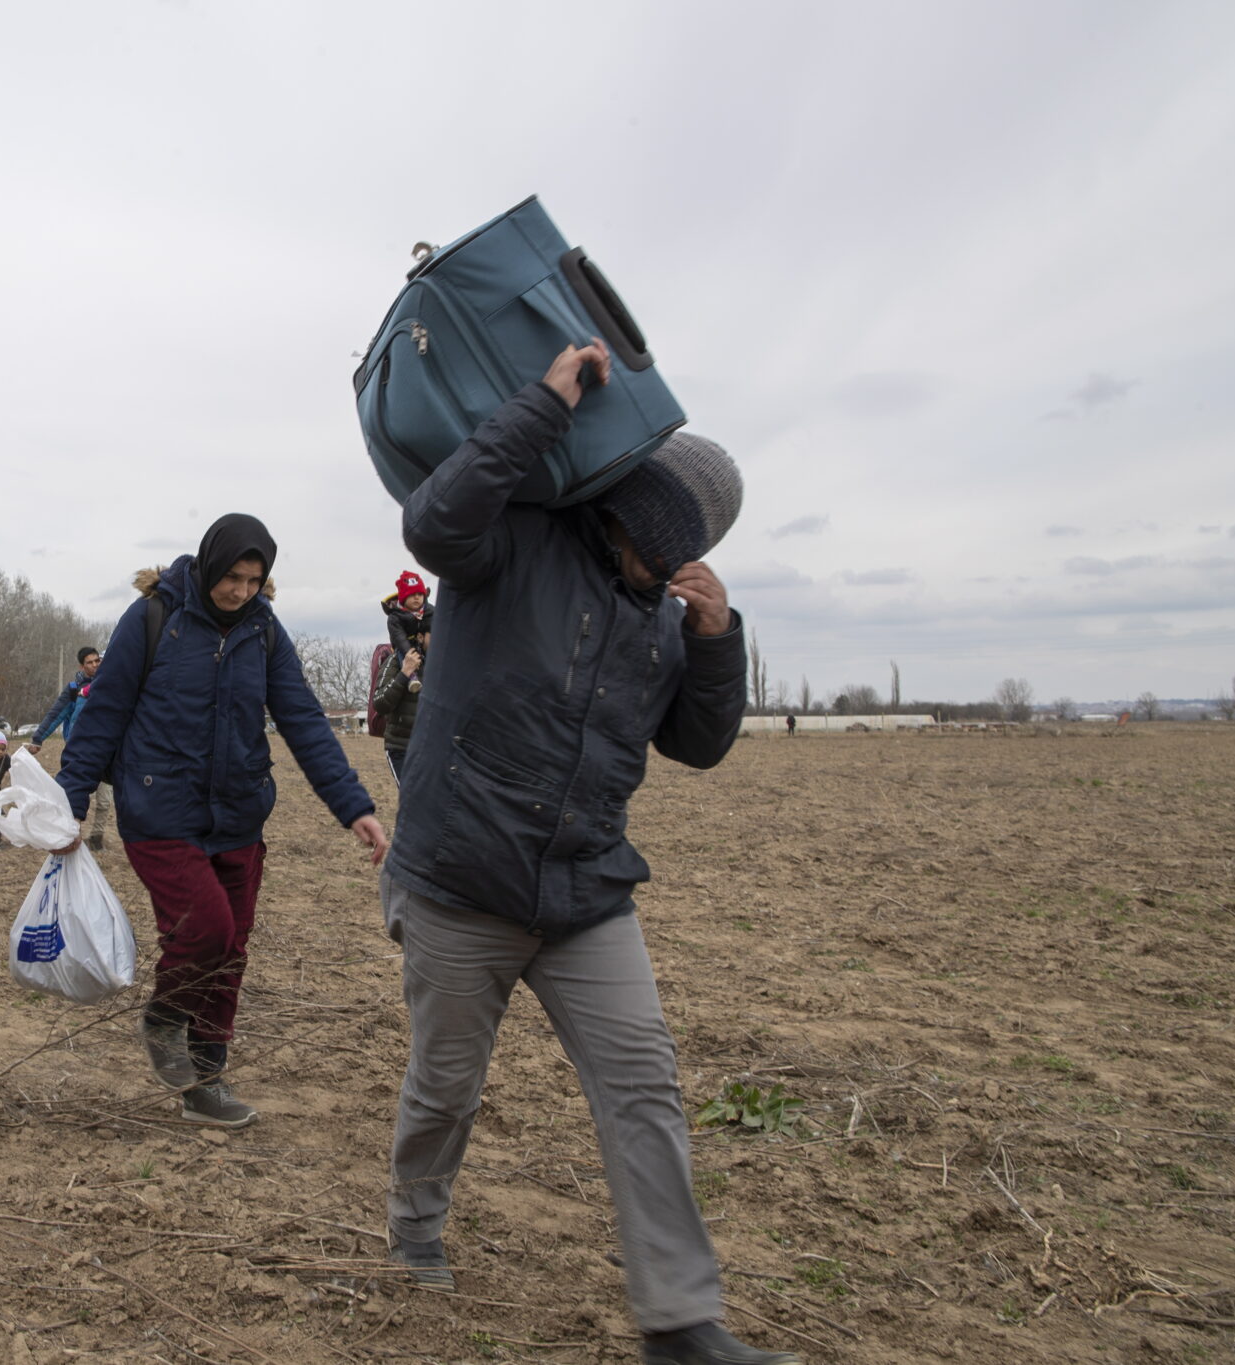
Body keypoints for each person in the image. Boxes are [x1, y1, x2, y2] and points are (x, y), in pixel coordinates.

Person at [381, 342, 791, 1365]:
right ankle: (416, 1219)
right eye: (661, 532)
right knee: (446, 1086)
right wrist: (546, 401)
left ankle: (679, 1322)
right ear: (636, 509)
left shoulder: (664, 622)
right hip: (457, 881)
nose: (662, 552)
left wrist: (714, 639)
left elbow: (697, 745)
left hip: (581, 892)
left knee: (642, 1083)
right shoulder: (513, 539)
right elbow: (430, 519)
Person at [57, 514, 389, 1129]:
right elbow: (104, 713)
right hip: (160, 811)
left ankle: (206, 1081)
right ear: (210, 565)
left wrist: (354, 806)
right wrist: (69, 804)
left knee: (230, 951)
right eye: (232, 577)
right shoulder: (155, 616)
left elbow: (304, 720)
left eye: (255, 579)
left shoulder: (263, 629)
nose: (240, 591)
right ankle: (162, 1021)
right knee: (204, 930)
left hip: (239, 815)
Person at [27, 646, 112, 850]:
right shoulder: (74, 690)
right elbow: (56, 714)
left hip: (107, 752)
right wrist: (38, 739)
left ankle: (97, 838)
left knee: (104, 801)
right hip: (80, 753)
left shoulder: (110, 684)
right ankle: (72, 836)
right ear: (82, 666)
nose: (94, 665)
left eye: (97, 661)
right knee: (74, 796)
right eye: (89, 662)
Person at [370, 624, 427, 785]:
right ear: (421, 637)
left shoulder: (440, 663)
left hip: (433, 748)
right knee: (413, 803)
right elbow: (380, 703)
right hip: (402, 748)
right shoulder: (394, 662)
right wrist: (404, 674)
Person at [382, 570, 434, 658]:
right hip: (405, 651)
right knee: (394, 667)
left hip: (429, 649)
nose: (417, 597)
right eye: (412, 594)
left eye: (420, 594)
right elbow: (400, 639)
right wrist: (413, 656)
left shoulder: (430, 611)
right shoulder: (395, 617)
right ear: (403, 598)